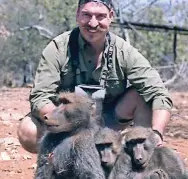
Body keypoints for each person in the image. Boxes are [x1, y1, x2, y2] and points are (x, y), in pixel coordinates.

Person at [17, 0, 173, 154]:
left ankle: (134, 163)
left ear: (111, 16)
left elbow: (159, 93)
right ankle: (60, 163)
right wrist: (64, 122)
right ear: (77, 15)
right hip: (66, 122)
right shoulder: (58, 48)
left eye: (100, 16)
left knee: (143, 96)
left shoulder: (124, 52)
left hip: (108, 121)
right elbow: (40, 96)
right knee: (28, 131)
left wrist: (157, 133)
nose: (92, 23)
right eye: (86, 15)